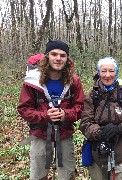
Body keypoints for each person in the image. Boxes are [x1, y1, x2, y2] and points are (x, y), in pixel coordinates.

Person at [17, 40, 84, 180]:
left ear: (67, 59)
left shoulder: (74, 81)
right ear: (47, 56)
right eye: (54, 54)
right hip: (40, 134)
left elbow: (80, 107)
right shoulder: (32, 81)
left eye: (62, 55)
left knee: (67, 174)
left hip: (65, 134)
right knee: (38, 175)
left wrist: (66, 114)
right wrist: (44, 115)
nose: (58, 58)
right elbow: (24, 108)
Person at [80, 57, 122, 180]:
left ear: (116, 72)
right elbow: (85, 122)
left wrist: (119, 129)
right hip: (98, 155)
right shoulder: (92, 95)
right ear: (99, 72)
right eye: (104, 71)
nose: (107, 75)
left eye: (111, 71)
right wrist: (99, 133)